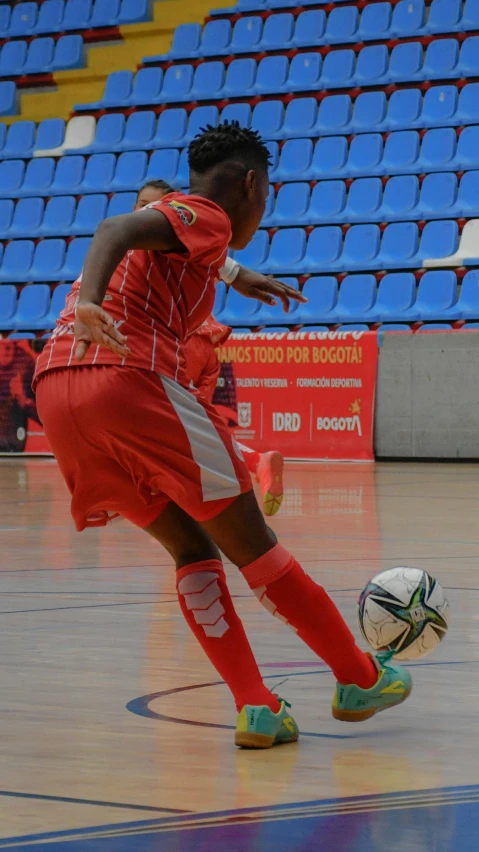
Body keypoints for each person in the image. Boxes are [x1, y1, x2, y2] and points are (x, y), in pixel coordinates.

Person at [34, 123, 411, 749]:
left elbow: (172, 241)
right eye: (265, 201)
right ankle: (359, 675)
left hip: (59, 390)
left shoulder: (193, 230)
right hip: (125, 375)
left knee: (192, 551)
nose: (262, 212)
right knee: (253, 544)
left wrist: (237, 277)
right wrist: (91, 304)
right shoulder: (206, 211)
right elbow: (113, 230)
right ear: (251, 185)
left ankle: (258, 707)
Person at [135, 180, 284, 516]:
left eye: (150, 204)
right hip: (205, 344)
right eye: (139, 202)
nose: (143, 210)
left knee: (159, 430)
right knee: (194, 432)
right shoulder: (191, 239)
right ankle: (253, 464)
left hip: (180, 345)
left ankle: (245, 469)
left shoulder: (154, 238)